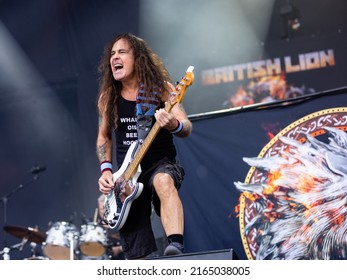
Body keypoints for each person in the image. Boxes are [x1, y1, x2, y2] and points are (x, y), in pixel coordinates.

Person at [96, 33, 192, 260]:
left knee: (163, 180)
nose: (114, 58)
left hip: (160, 164)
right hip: (127, 177)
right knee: (139, 257)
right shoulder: (108, 98)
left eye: (122, 52)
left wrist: (173, 124)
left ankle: (176, 247)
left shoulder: (161, 89)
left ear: (138, 58)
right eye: (112, 54)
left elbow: (186, 127)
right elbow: (104, 137)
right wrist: (106, 170)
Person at [97, 194, 124, 260]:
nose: (102, 212)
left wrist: (119, 249)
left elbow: (132, 244)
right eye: (100, 209)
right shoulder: (96, 224)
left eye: (104, 209)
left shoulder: (120, 222)